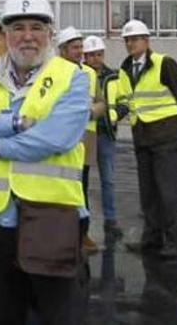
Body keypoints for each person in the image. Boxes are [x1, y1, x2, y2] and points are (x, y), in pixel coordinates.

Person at [0, 0, 90, 325]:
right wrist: (16, 123)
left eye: (36, 27)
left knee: (57, 313)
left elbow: (58, 136)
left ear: (50, 33)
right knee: (3, 313)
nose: (27, 36)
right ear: (7, 34)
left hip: (52, 215)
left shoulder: (70, 76)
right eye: (18, 28)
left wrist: (1, 146)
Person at [116, 20, 177, 259]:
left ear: (146, 41)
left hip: (167, 137)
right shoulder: (126, 68)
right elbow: (126, 100)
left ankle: (173, 243)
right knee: (148, 193)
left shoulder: (164, 64)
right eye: (127, 40)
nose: (131, 43)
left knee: (168, 193)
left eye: (135, 39)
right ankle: (151, 239)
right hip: (143, 138)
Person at [54, 27, 106, 253]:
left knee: (81, 186)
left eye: (80, 47)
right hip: (61, 136)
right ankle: (62, 234)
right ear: (63, 50)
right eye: (75, 47)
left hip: (86, 136)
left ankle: (82, 234)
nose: (80, 51)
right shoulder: (52, 72)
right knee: (60, 186)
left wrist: (89, 112)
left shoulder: (90, 73)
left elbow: (102, 103)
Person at [82, 35, 124, 243]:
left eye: (98, 54)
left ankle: (111, 219)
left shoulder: (114, 76)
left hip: (106, 133)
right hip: (86, 134)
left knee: (108, 179)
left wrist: (116, 116)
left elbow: (124, 100)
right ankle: (83, 223)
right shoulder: (80, 74)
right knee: (82, 182)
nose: (95, 58)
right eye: (91, 55)